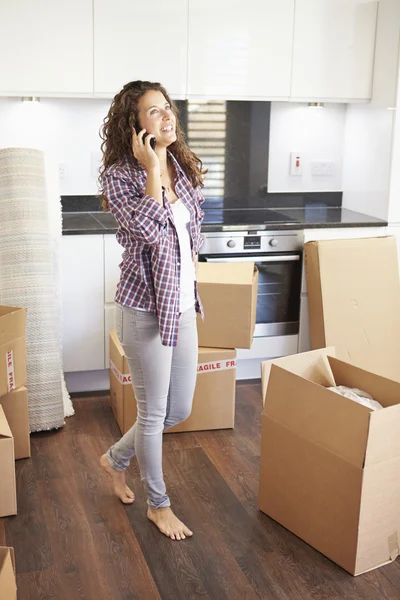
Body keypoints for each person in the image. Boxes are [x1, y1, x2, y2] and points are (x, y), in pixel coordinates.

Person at [98, 80, 207, 541]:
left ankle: (115, 458)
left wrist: (165, 167)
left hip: (181, 304)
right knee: (152, 410)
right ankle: (157, 505)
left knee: (177, 409)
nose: (167, 116)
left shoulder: (181, 167)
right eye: (153, 111)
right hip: (144, 308)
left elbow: (193, 233)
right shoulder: (120, 175)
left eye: (168, 108)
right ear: (133, 124)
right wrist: (151, 168)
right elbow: (146, 230)